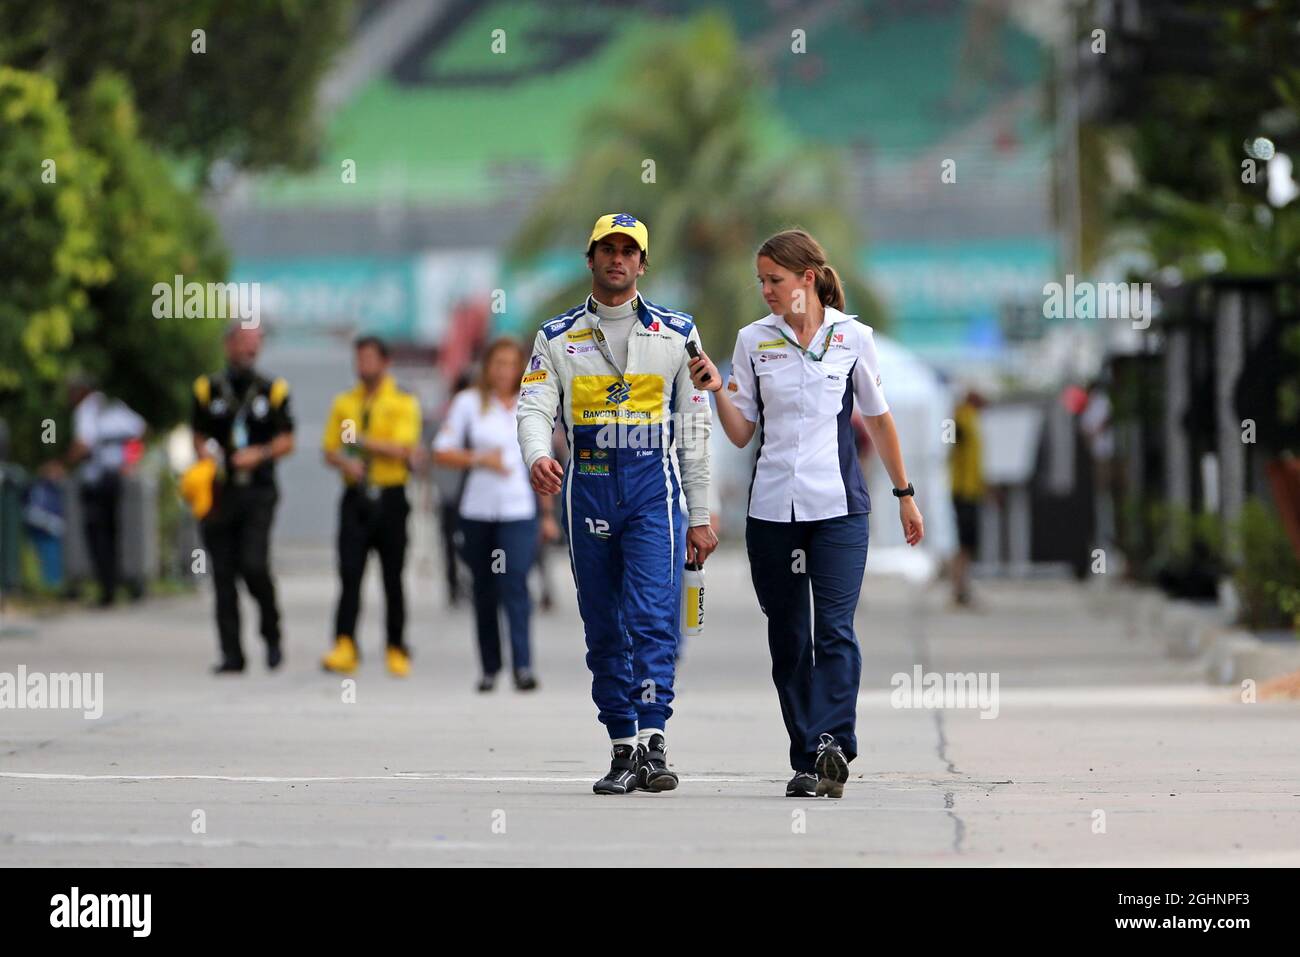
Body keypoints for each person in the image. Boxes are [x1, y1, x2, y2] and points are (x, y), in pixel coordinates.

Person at [688, 228, 924, 800]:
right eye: (761, 281)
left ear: (808, 279)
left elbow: (879, 419)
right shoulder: (753, 341)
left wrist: (904, 493)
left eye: (775, 280)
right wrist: (719, 389)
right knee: (789, 636)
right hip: (772, 512)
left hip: (839, 508)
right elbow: (742, 433)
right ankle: (807, 755)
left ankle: (833, 743)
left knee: (835, 629)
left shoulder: (853, 338)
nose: (766, 290)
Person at [518, 212, 718, 795]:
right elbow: (533, 407)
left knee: (654, 619)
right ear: (590, 258)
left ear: (643, 263)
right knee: (604, 625)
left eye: (629, 251)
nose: (617, 259)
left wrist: (700, 517)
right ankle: (621, 746)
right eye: (607, 248)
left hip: (656, 494)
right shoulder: (556, 337)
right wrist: (536, 455)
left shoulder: (678, 333)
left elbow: (695, 429)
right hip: (590, 492)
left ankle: (655, 743)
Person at [434, 338, 557, 691]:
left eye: (510, 364)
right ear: (487, 366)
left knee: (515, 583)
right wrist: (479, 459)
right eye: (497, 363)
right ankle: (490, 667)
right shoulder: (469, 404)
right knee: (484, 589)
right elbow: (442, 452)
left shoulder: (531, 403)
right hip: (478, 510)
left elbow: (544, 462)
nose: (503, 371)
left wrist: (547, 515)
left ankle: (523, 666)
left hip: (518, 510)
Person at [191, 323, 295, 674]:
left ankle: (272, 634)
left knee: (253, 565)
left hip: (258, 490)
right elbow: (197, 433)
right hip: (220, 492)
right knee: (222, 575)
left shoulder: (273, 390)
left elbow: (287, 439)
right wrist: (206, 453)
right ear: (229, 344)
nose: (251, 348)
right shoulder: (208, 389)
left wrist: (260, 453)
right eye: (245, 341)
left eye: (256, 342)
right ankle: (231, 653)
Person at [320, 336, 422, 677]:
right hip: (356, 496)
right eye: (358, 358)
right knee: (349, 573)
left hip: (391, 496)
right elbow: (331, 448)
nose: (362, 364)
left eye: (368, 358)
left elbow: (405, 449)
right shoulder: (344, 403)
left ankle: (396, 645)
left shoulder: (402, 401)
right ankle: (345, 643)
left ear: (384, 362)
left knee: (392, 577)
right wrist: (345, 462)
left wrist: (363, 443)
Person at [42, 377, 146, 606]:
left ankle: (107, 591)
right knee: (114, 533)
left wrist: (61, 464)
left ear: (82, 392)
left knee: (98, 536)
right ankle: (120, 584)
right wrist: (130, 460)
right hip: (114, 479)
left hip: (96, 481)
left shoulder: (86, 411)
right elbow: (140, 428)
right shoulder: (112, 407)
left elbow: (83, 444)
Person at [949, 390, 986, 607]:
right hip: (963, 490)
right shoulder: (963, 419)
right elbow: (952, 443)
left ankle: (962, 587)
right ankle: (959, 589)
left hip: (971, 490)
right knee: (964, 543)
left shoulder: (971, 419)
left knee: (968, 543)